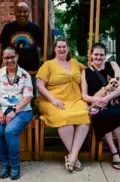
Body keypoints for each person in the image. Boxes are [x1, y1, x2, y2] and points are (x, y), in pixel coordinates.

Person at [36, 37, 90, 172]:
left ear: (68, 48)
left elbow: (89, 72)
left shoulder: (75, 63)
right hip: (52, 100)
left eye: (64, 46)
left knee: (84, 117)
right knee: (65, 119)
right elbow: (39, 84)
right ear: (54, 49)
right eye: (59, 47)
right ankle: (75, 158)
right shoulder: (48, 64)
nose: (61, 49)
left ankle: (72, 156)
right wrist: (53, 99)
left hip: (75, 100)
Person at [81, 43, 120, 170]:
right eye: (96, 54)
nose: (99, 57)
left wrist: (106, 98)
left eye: (101, 55)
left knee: (117, 112)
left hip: (114, 101)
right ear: (91, 55)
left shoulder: (113, 65)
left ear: (105, 56)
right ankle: (114, 151)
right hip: (98, 105)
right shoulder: (85, 72)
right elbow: (84, 96)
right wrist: (97, 100)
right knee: (104, 115)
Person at [0, 46, 33, 180]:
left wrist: (14, 111)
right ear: (2, 59)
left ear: (17, 57)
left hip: (21, 110)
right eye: (6, 57)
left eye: (12, 57)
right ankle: (4, 164)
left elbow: (27, 97)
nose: (9, 60)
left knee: (10, 131)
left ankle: (14, 165)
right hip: (0, 109)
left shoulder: (25, 75)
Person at [0, 1, 43, 72]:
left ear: (29, 12)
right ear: (15, 13)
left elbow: (42, 49)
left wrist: (42, 66)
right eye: (19, 12)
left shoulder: (36, 29)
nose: (22, 14)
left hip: (32, 70)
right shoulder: (8, 28)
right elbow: (2, 47)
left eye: (25, 12)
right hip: (12, 69)